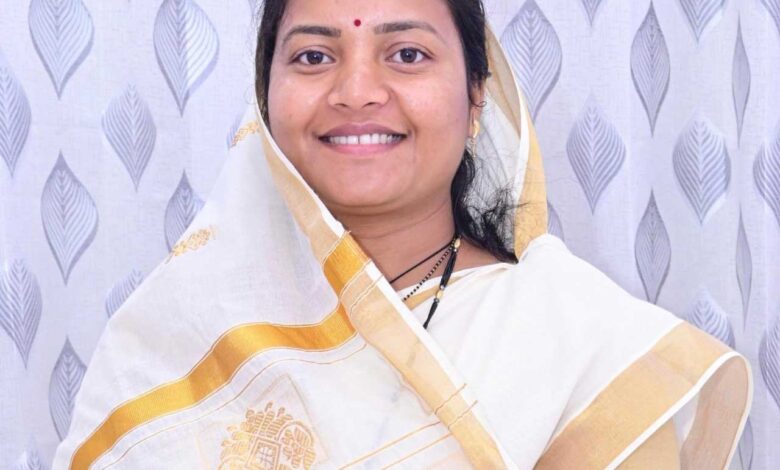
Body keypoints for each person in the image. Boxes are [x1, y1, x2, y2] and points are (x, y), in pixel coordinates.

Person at [54, 0, 751, 468]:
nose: (357, 90)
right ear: (264, 102)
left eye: (407, 54)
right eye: (313, 57)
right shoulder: (170, 339)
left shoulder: (579, 344)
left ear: (475, 98)